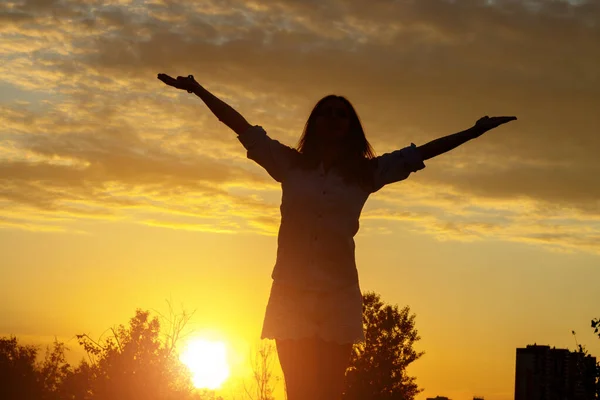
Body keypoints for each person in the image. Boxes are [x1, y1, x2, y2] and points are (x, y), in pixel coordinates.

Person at [157, 73, 516, 400]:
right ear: (313, 123)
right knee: (298, 389)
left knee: (329, 389)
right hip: (291, 291)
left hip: (338, 295)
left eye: (340, 114)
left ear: (351, 127)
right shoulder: (287, 164)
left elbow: (420, 153)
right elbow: (242, 127)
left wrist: (472, 132)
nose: (332, 118)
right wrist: (198, 89)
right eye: (325, 113)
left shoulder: (366, 173)